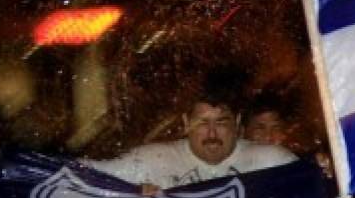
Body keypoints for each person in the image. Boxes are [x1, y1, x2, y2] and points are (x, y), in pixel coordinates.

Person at [90, 75, 298, 188]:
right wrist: (132, 195)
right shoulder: (151, 162)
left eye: (221, 123)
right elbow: (86, 178)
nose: (212, 134)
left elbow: (314, 192)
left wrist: (325, 166)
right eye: (202, 123)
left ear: (237, 122)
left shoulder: (271, 163)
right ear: (186, 123)